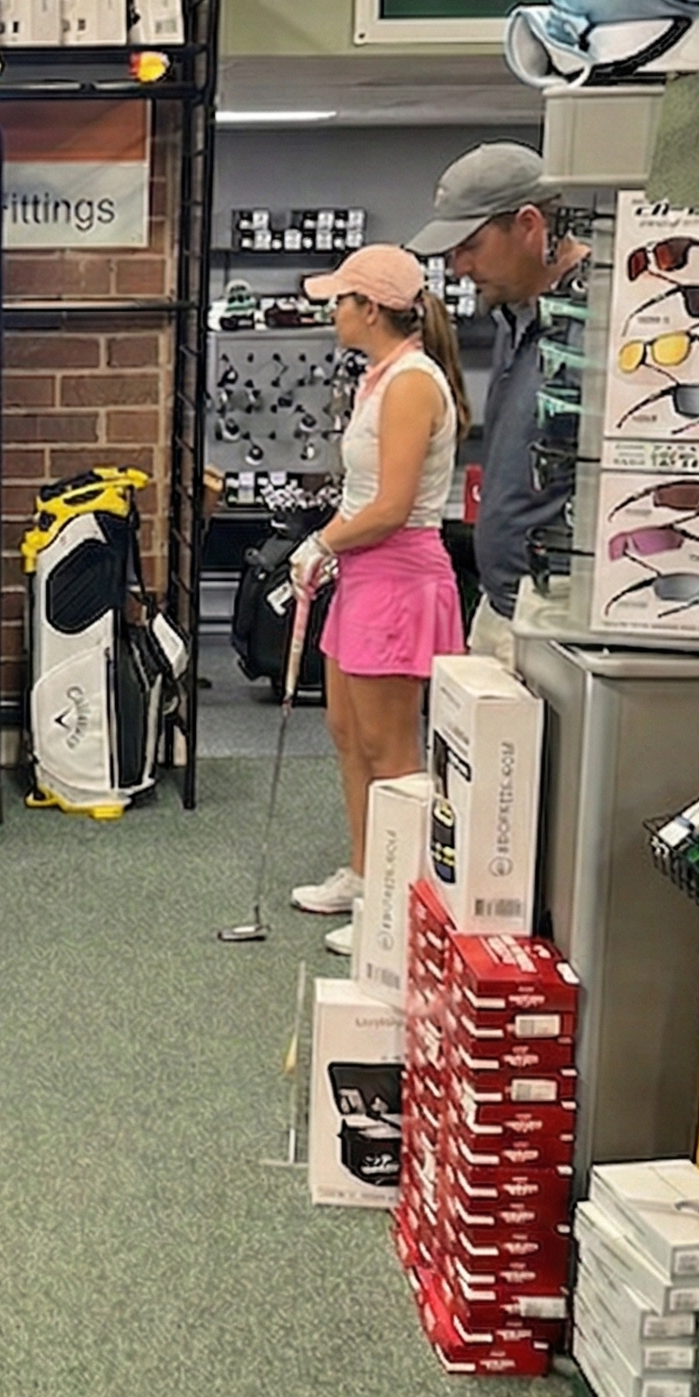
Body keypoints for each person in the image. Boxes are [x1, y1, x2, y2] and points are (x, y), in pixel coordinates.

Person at [285, 245, 470, 942]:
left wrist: (323, 542)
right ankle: (366, 875)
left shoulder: (414, 383)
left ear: (370, 308)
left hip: (400, 579)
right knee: (347, 734)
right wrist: (330, 546)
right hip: (364, 574)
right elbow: (365, 495)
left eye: (341, 299)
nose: (332, 310)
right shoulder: (379, 377)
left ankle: (398, 912)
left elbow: (392, 506)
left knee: (392, 755)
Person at [408, 142, 589, 671]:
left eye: (471, 245)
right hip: (503, 607)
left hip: (559, 621)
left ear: (529, 225)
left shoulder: (597, 329)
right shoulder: (515, 318)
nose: (459, 267)